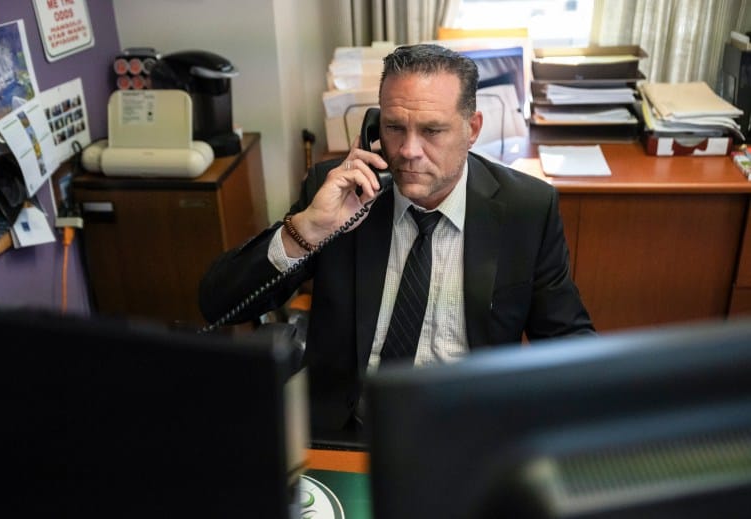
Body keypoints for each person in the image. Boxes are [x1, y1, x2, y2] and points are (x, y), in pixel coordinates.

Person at [198, 43, 595, 433]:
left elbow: (569, 343)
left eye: (432, 130)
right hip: (349, 432)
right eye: (393, 127)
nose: (408, 151)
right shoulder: (338, 195)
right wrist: (308, 230)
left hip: (468, 439)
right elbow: (219, 305)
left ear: (471, 129)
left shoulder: (526, 208)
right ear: (375, 126)